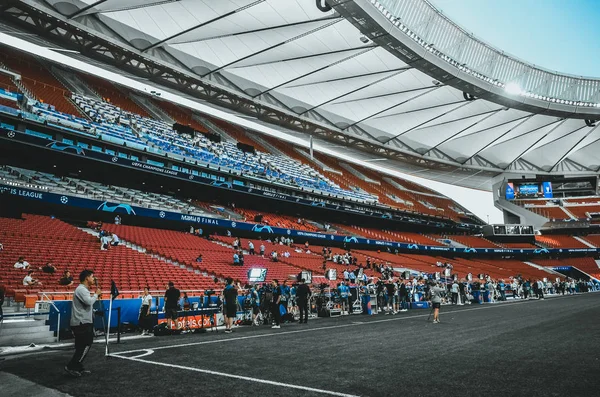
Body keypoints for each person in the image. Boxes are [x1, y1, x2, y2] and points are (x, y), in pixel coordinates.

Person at [65, 269, 101, 377]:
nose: (93, 279)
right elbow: (89, 302)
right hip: (81, 323)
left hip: (82, 322)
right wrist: (96, 295)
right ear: (87, 278)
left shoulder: (83, 289)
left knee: (81, 346)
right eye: (92, 277)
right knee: (86, 344)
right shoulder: (81, 289)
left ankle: (78, 367)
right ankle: (72, 365)